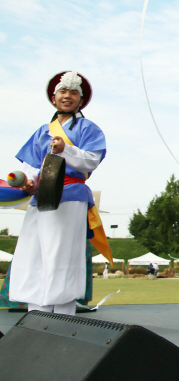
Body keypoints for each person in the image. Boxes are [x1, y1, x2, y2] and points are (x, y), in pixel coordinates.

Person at [9, 71, 109, 316]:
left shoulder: (88, 128)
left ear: (80, 100)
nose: (68, 96)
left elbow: (91, 161)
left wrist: (66, 150)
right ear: (54, 98)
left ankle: (64, 314)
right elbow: (31, 167)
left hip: (71, 195)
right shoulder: (42, 131)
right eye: (63, 92)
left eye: (73, 92)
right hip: (40, 196)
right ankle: (36, 312)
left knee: (62, 254)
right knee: (34, 252)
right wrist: (29, 183)